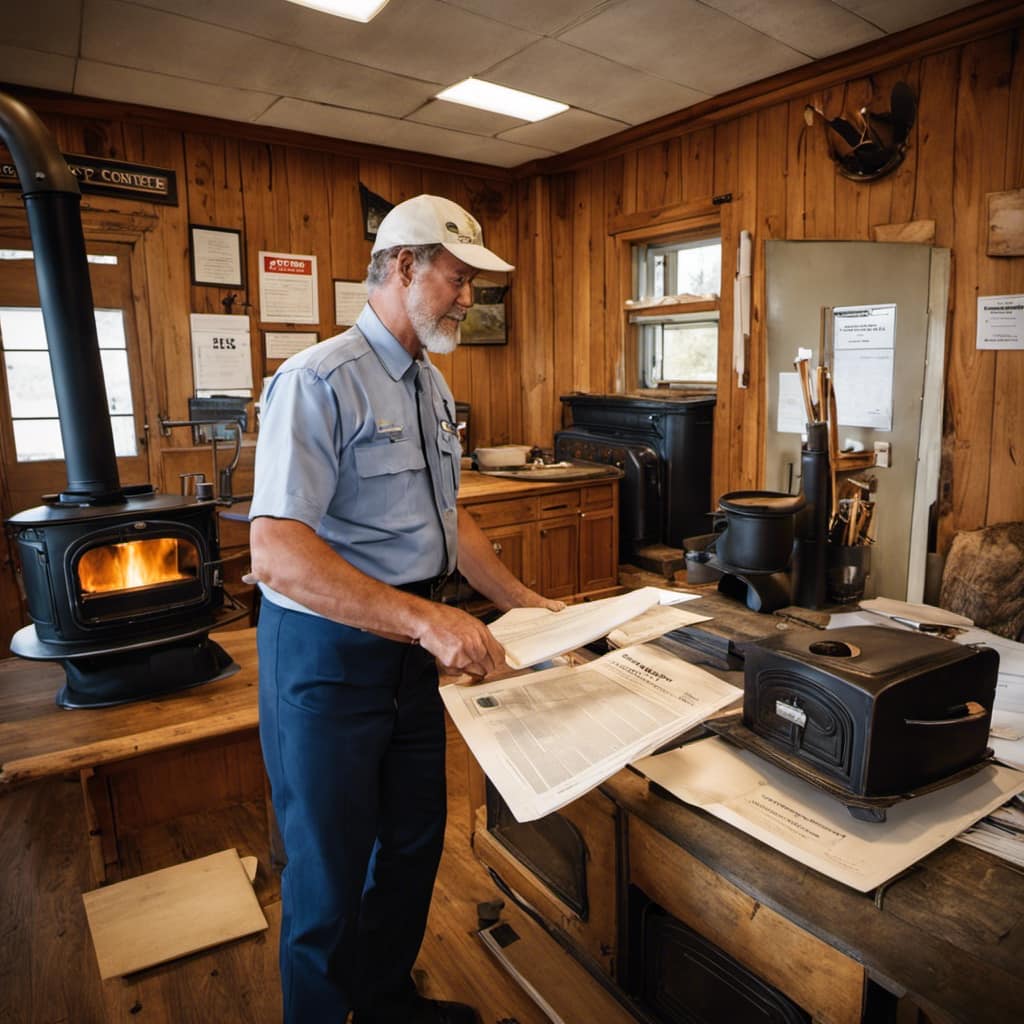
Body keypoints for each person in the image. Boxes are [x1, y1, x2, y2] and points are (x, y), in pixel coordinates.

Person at [248, 194, 564, 1024]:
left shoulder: (429, 384)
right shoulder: (317, 381)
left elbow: (448, 518)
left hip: (409, 654)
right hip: (325, 657)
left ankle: (384, 1002)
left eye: (470, 284)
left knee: (415, 842)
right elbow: (276, 552)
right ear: (401, 267)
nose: (469, 298)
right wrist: (428, 621)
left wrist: (527, 603)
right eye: (458, 279)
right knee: (324, 877)